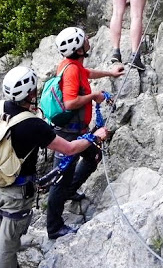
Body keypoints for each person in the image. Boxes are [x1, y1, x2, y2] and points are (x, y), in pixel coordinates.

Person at [0, 65, 110, 268]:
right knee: (5, 248)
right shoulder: (32, 124)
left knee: (0, 227)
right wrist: (95, 136)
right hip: (15, 192)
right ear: (31, 93)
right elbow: (68, 148)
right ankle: (7, 255)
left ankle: (9, 247)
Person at [46, 26, 124, 240]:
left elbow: (87, 74)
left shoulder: (70, 64)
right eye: (84, 39)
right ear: (79, 50)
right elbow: (70, 102)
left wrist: (110, 73)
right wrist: (94, 96)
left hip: (77, 131)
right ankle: (54, 227)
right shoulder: (71, 70)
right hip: (68, 135)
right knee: (61, 179)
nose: (88, 39)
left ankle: (71, 190)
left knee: (92, 157)